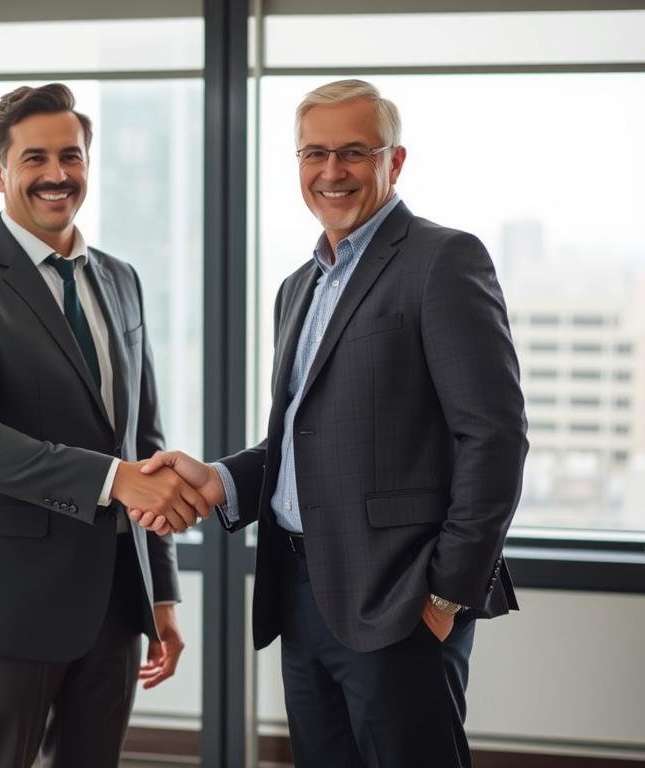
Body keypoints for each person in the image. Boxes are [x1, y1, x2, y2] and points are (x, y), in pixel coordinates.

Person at [133, 79, 528, 768]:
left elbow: (494, 438)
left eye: (353, 151)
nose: (331, 171)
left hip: (400, 600)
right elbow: (305, 441)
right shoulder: (299, 287)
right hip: (299, 595)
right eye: (314, 152)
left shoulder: (442, 260)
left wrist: (444, 596)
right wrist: (220, 479)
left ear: (394, 162)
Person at [0, 83, 207, 768]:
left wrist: (159, 590)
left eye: (70, 156)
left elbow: (145, 445)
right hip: (6, 605)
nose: (56, 175)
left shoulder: (120, 278)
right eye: (35, 157)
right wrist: (113, 480)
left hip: (113, 601)